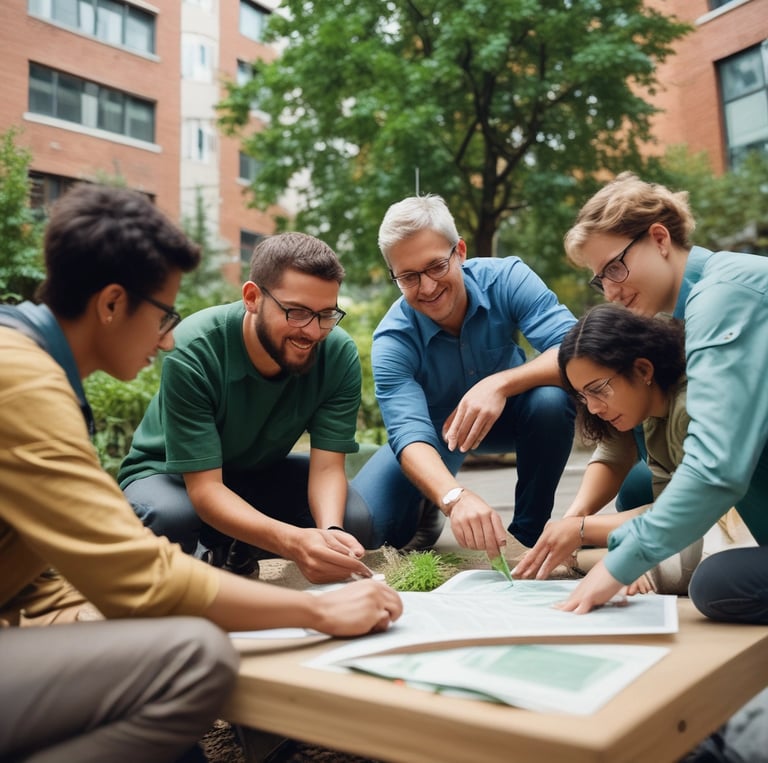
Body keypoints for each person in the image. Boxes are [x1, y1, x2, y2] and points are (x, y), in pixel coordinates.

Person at [0, 184, 403, 763]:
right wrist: (315, 610)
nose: (167, 336)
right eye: (165, 313)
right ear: (112, 303)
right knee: (195, 653)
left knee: (166, 659)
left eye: (324, 316)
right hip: (182, 486)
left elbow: (42, 571)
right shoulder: (27, 386)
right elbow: (138, 575)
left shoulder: (26, 358)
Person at [554, 171, 768, 622]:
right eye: (600, 279)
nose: (610, 290)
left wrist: (618, 563)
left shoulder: (721, 296)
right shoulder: (701, 301)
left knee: (717, 584)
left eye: (614, 267)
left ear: (659, 238)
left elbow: (716, 468)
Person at [119, 232, 375, 584]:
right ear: (253, 297)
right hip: (173, 476)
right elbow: (206, 489)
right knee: (167, 519)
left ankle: (233, 545)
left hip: (258, 472)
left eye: (326, 314)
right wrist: (293, 542)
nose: (313, 332)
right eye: (297, 312)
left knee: (353, 521)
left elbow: (328, 468)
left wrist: (329, 535)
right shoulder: (195, 349)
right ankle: (209, 554)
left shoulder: (337, 354)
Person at [350, 194, 577, 560]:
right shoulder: (393, 340)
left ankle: (527, 535)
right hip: (433, 437)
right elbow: (408, 436)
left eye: (436, 266)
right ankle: (427, 506)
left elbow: (577, 351)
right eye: (408, 276)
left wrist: (499, 384)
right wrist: (453, 497)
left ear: (460, 251)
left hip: (508, 416)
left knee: (551, 401)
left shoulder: (507, 278)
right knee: (363, 526)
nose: (426, 287)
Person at [513, 303, 708, 594]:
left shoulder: (690, 407)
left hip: (722, 514)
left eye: (598, 389)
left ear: (643, 369)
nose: (591, 407)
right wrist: (572, 522)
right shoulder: (645, 404)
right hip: (690, 503)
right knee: (635, 489)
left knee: (703, 580)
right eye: (582, 396)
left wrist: (580, 537)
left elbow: (685, 515)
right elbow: (613, 453)